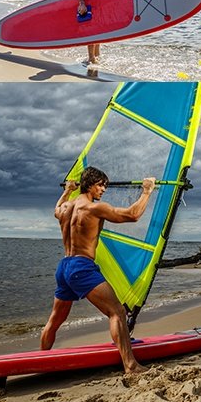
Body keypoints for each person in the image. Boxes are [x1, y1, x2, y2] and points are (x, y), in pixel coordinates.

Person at [41, 165, 156, 385]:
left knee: (55, 320)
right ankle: (131, 366)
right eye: (100, 185)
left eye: (105, 185)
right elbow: (132, 215)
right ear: (90, 185)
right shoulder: (94, 208)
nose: (103, 189)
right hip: (81, 267)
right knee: (117, 312)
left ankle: (40, 360)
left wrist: (67, 190)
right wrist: (147, 191)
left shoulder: (66, 207)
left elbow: (55, 209)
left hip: (64, 267)